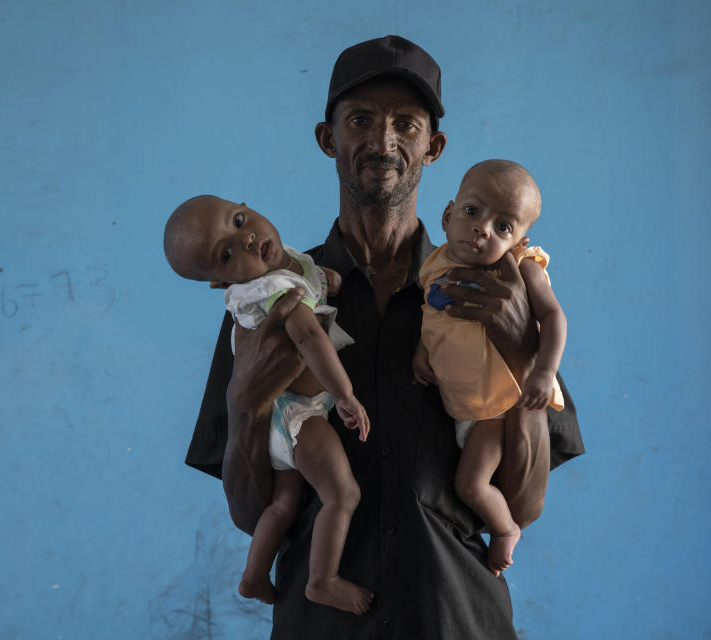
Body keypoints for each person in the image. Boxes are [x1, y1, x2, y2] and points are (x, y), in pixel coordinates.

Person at [184, 35, 584, 638]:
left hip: (455, 616)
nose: (383, 141)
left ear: (434, 147)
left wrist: (521, 351)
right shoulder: (267, 300)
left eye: (407, 123)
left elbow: (522, 506)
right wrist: (245, 402)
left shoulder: (499, 288)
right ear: (328, 139)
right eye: (360, 120)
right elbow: (249, 514)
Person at [164, 195, 373, 615]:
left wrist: (328, 279)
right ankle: (322, 580)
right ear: (221, 283)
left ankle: (254, 575)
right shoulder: (273, 293)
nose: (246, 239)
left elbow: (318, 278)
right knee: (342, 492)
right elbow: (311, 338)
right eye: (226, 254)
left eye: (240, 220)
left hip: (287, 416)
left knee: (283, 503)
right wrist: (346, 395)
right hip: (295, 414)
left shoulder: (288, 261)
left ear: (246, 206)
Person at [413, 159, 567, 577]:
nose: (483, 228)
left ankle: (504, 531)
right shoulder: (433, 266)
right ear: (447, 216)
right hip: (462, 406)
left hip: (495, 410)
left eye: (504, 227)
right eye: (472, 212)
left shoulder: (519, 269)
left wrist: (541, 371)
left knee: (471, 485)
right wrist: (422, 352)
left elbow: (554, 318)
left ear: (520, 239)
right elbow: (435, 318)